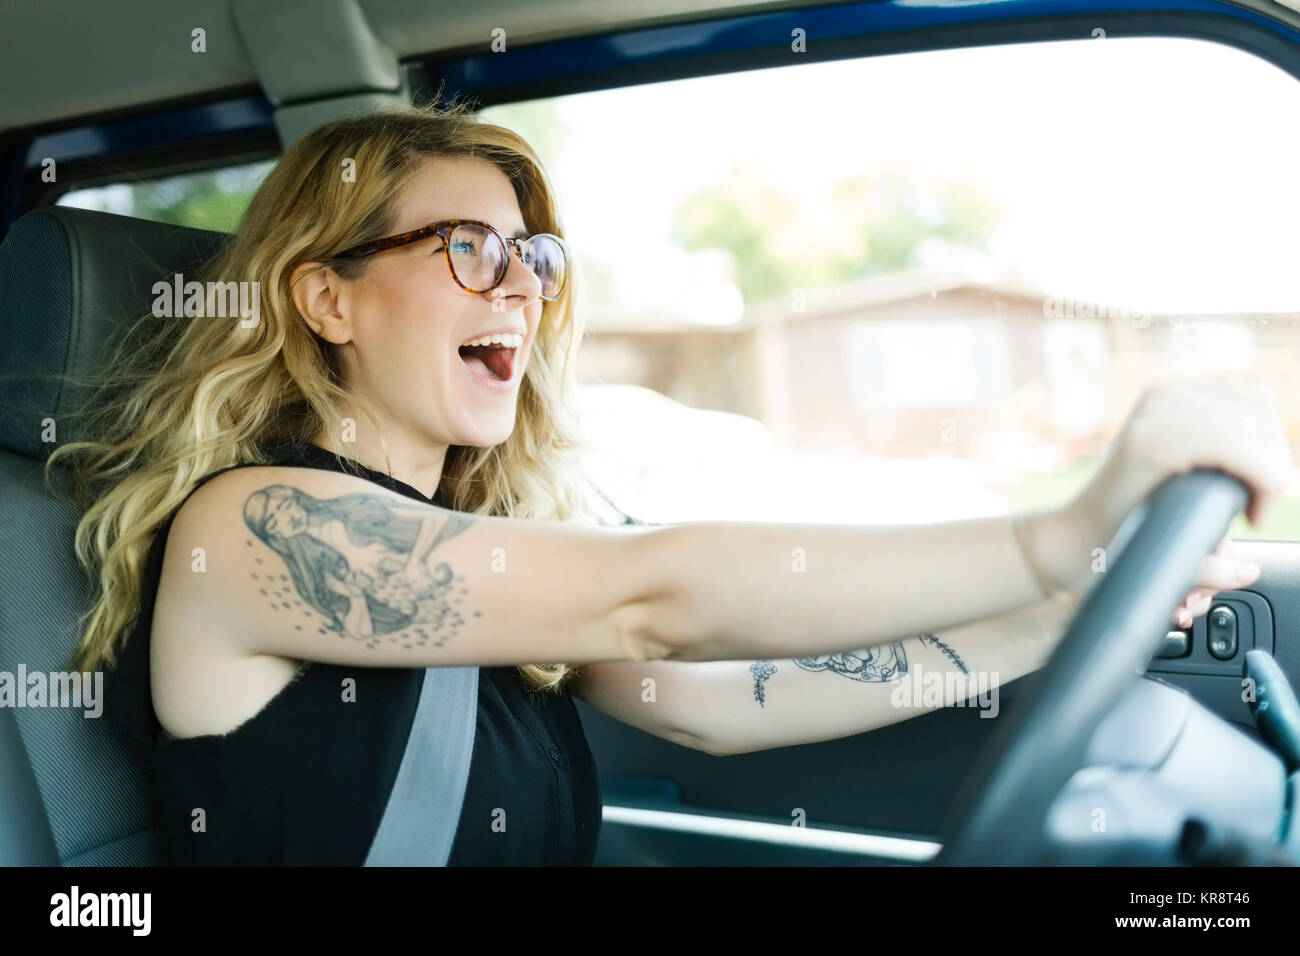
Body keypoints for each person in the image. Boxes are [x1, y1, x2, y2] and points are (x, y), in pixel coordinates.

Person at [49, 100, 1291, 865]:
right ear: (328, 296)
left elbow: (725, 697)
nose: (523, 288)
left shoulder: (484, 556)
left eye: (534, 257)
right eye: (470, 249)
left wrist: (1048, 621)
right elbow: (653, 593)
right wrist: (1062, 531)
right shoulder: (257, 528)